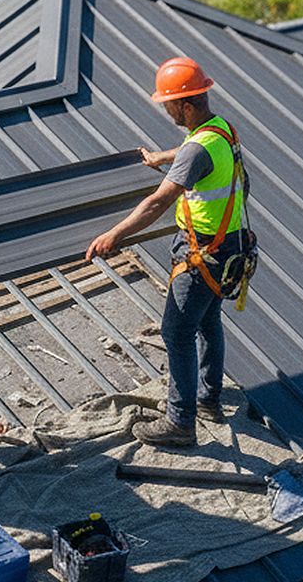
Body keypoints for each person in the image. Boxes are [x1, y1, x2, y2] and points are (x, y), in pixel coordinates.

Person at [85, 57, 250, 447]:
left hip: (202, 255)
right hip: (231, 248)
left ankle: (180, 423)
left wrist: (114, 235)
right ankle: (208, 400)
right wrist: (164, 157)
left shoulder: (197, 150)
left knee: (176, 332)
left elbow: (157, 203)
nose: (165, 109)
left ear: (186, 105)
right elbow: (196, 149)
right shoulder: (221, 130)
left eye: (169, 104)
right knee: (208, 323)